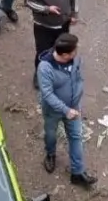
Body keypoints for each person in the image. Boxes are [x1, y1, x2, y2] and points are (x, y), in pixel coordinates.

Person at [37, 33, 98, 187]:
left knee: (76, 136)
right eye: (73, 51)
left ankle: (77, 173)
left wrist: (77, 96)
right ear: (64, 55)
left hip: (74, 107)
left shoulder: (75, 59)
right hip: (53, 111)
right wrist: (65, 110)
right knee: (51, 134)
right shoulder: (45, 68)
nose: (76, 53)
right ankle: (50, 154)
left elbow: (77, 77)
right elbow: (47, 94)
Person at [25, 0, 78, 88]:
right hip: (44, 25)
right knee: (43, 53)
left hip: (63, 23)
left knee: (61, 50)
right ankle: (39, 74)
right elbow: (28, 1)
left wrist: (72, 14)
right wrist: (47, 9)